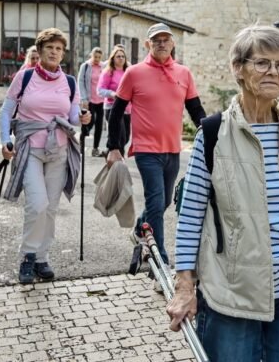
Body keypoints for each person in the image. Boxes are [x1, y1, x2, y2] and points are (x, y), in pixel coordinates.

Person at [167, 25, 279, 361]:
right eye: (262, 63)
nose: (273, 72)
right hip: (232, 293)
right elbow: (191, 216)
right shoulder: (212, 135)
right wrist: (184, 286)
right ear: (239, 68)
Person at [106, 23, 206, 278]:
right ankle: (160, 261)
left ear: (173, 44)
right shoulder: (134, 73)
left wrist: (212, 136)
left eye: (166, 39)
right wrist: (113, 146)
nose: (161, 43)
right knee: (155, 199)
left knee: (163, 202)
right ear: (148, 44)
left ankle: (141, 228)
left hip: (173, 150)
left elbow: (196, 110)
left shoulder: (184, 74)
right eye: (156, 40)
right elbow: (116, 112)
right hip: (145, 151)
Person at [0, 28, 92, 284]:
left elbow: (73, 116)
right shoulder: (25, 77)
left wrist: (83, 117)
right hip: (29, 148)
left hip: (59, 150)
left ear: (63, 54)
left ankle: (42, 257)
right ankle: (28, 256)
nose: (54, 52)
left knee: (50, 207)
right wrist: (5, 140)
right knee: (37, 204)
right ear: (39, 51)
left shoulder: (70, 82)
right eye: (49, 47)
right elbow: (6, 111)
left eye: (59, 49)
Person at [97, 45, 131, 153]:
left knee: (125, 138)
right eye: (118, 56)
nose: (121, 58)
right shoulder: (108, 72)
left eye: (123, 56)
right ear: (113, 58)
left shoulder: (129, 72)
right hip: (112, 107)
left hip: (127, 109)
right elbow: (100, 90)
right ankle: (117, 162)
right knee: (119, 137)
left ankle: (109, 153)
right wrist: (113, 94)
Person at [78, 47, 105, 156]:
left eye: (99, 57)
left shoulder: (103, 67)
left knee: (99, 124)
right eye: (95, 56)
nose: (97, 59)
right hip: (89, 100)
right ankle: (82, 138)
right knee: (91, 120)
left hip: (101, 99)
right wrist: (83, 98)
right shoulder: (85, 66)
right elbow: (80, 82)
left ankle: (95, 148)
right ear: (91, 55)